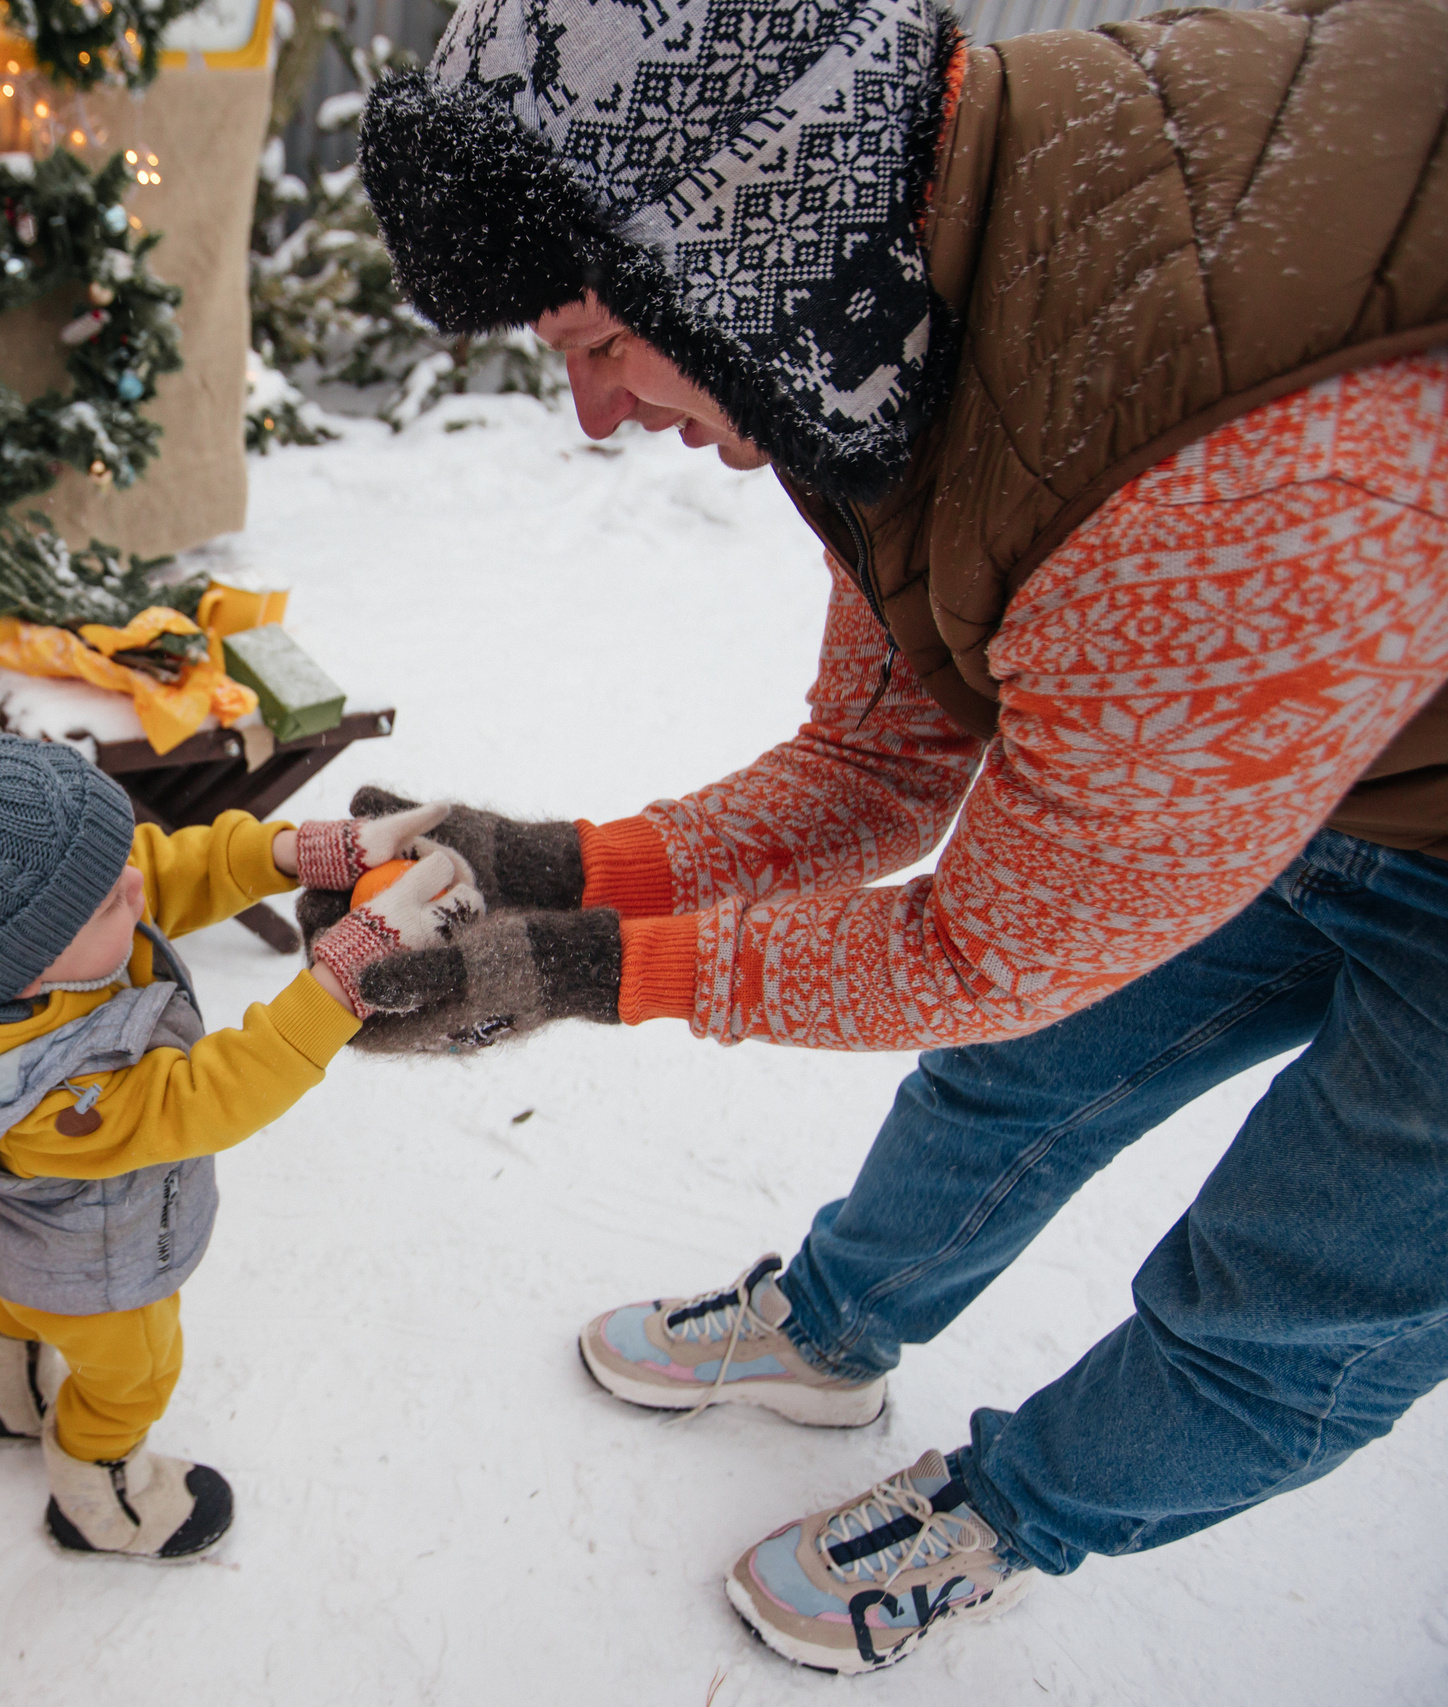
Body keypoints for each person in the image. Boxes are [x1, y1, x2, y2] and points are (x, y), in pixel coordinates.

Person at [340, 0, 1448, 1675]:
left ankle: (1018, 1512)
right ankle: (835, 1328)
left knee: (1295, 1289)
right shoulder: (884, 310)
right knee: (1024, 1075)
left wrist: (574, 968)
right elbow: (876, 763)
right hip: (1307, 706)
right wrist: (539, 865)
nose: (588, 412)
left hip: (1322, 632)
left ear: (727, 246)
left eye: (594, 343)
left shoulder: (1223, 494)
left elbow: (978, 948)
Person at [0, 673, 476, 1559]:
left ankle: (2, 1396)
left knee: (20, 1295)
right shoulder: (46, 1094)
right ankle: (102, 1495)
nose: (136, 887)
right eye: (109, 898)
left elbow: (161, 872)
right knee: (133, 1375)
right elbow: (204, 1096)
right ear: (24, 971)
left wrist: (300, 852)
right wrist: (345, 976)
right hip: (103, 1264)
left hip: (21, 1239)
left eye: (117, 863)